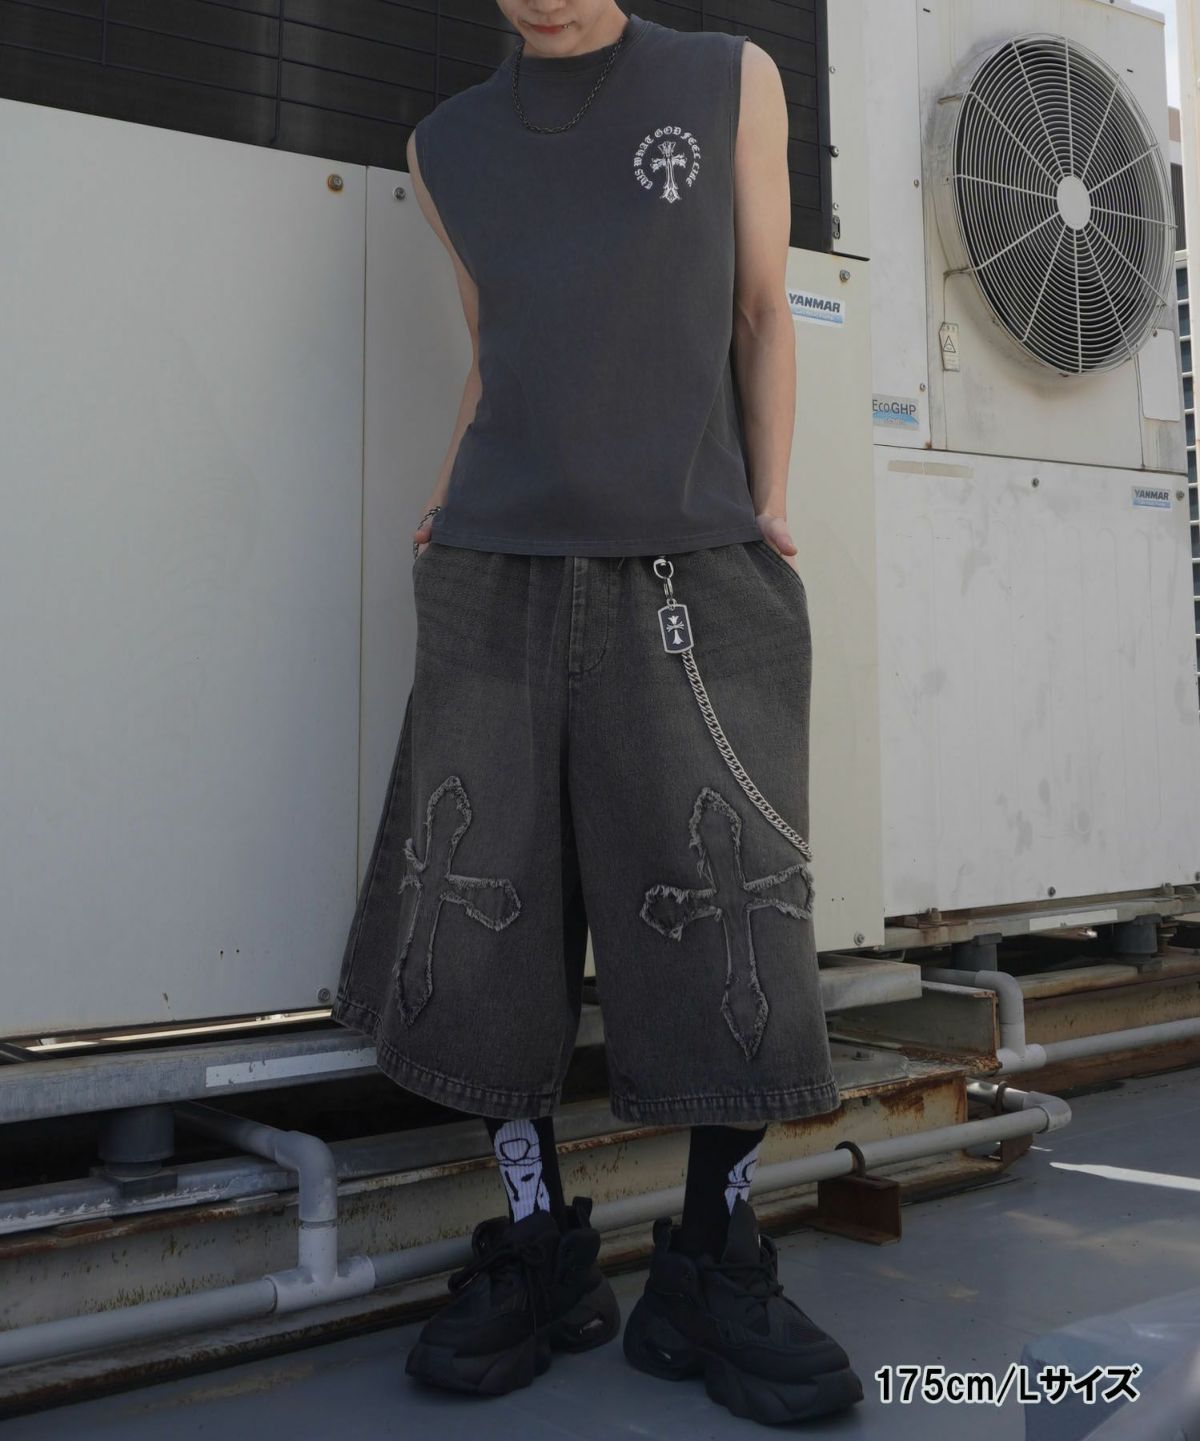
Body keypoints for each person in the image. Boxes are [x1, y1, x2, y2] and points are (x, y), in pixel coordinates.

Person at [330, 1, 863, 1424]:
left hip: (692, 564)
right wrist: (442, 512)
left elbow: (760, 309)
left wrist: (767, 507)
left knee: (732, 910)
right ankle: (541, 1244)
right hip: (494, 568)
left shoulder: (729, 79)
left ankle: (711, 1257)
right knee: (482, 908)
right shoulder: (444, 146)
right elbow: (496, 352)